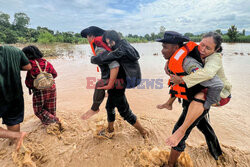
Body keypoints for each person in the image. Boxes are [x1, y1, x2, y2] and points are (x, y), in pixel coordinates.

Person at [156, 31, 223, 167]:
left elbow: (212, 82)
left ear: (175, 48)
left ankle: (170, 164)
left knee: (179, 132)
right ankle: (217, 153)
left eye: (165, 47)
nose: (162, 51)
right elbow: (177, 85)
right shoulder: (175, 58)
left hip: (198, 102)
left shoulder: (188, 62)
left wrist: (208, 103)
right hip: (190, 100)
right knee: (204, 127)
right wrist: (169, 102)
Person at [90, 30, 148, 138]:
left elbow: (109, 57)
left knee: (124, 111)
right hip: (121, 79)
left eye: (110, 42)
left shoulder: (121, 48)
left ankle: (143, 131)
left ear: (114, 40)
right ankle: (110, 129)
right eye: (107, 43)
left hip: (121, 81)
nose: (108, 45)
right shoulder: (124, 45)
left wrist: (94, 59)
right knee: (109, 106)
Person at [80, 26, 121, 120]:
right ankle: (110, 129)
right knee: (112, 107)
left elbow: (114, 65)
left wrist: (110, 84)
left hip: (117, 77)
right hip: (116, 76)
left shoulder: (99, 48)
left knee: (99, 85)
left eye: (87, 37)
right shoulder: (102, 45)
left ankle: (94, 109)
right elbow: (106, 68)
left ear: (91, 36)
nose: (87, 39)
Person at [0, 45, 31, 150]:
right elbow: (28, 67)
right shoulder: (15, 50)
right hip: (15, 94)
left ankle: (16, 136)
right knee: (13, 121)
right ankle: (15, 146)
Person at [22, 45, 61, 126]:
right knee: (51, 109)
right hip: (52, 87)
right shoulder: (46, 62)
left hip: (39, 90)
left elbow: (29, 82)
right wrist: (46, 79)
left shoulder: (30, 64)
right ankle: (51, 125)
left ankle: (55, 121)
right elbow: (55, 74)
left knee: (39, 110)